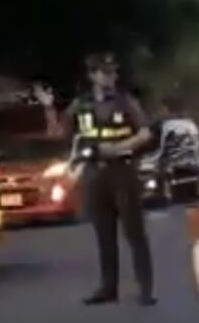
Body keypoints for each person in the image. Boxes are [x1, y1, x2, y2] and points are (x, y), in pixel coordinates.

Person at [36, 53, 157, 306]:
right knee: (104, 232)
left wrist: (119, 147)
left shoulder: (125, 101)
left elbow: (145, 133)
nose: (111, 77)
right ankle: (108, 287)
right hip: (93, 172)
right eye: (105, 72)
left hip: (122, 169)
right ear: (92, 75)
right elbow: (57, 133)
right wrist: (48, 107)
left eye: (113, 72)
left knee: (134, 231)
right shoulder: (81, 104)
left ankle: (145, 288)